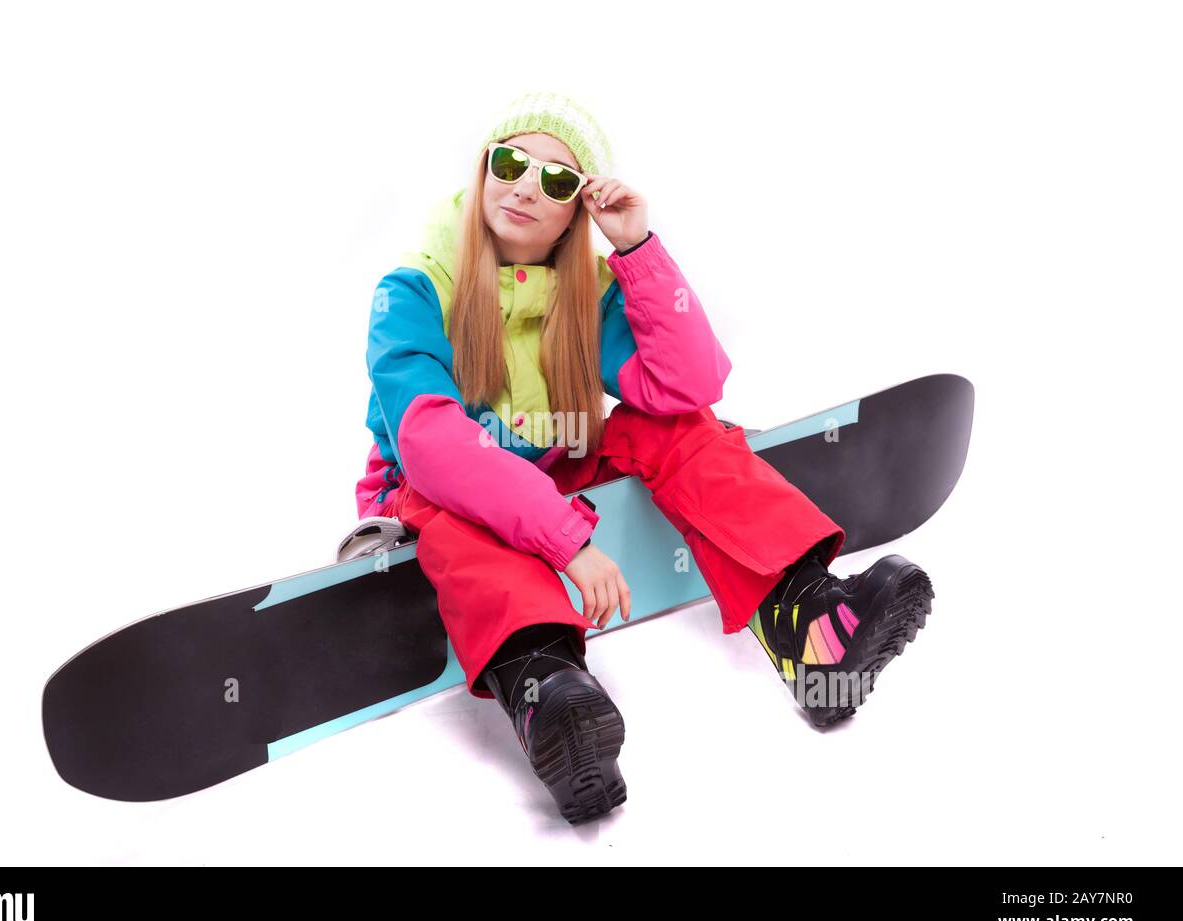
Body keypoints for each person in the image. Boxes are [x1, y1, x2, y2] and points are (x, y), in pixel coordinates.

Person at [353, 91, 934, 825]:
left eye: (558, 180)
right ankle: (549, 698)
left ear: (576, 211)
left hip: (551, 463)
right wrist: (569, 543)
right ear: (482, 173)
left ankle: (812, 627)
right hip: (430, 490)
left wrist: (635, 248)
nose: (528, 185)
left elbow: (685, 385)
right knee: (464, 513)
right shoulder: (413, 288)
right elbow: (436, 448)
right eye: (511, 163)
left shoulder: (581, 292)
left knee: (675, 425)